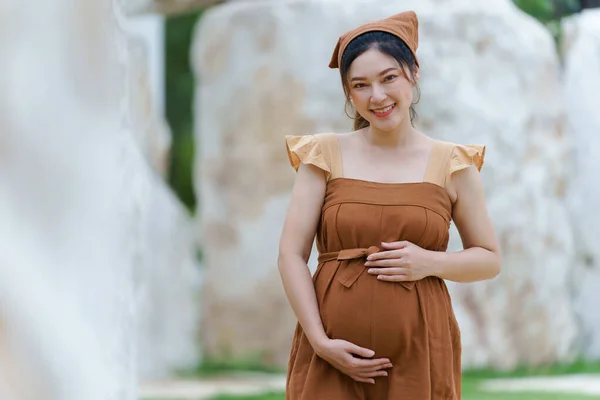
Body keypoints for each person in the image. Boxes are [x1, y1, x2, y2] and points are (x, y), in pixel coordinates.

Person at [277, 10, 501, 400]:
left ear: (413, 72)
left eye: (388, 78)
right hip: (331, 351)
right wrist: (320, 341)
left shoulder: (454, 164)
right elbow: (290, 256)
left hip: (422, 350)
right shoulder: (323, 155)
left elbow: (489, 259)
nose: (376, 96)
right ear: (348, 93)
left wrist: (429, 262)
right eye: (360, 85)